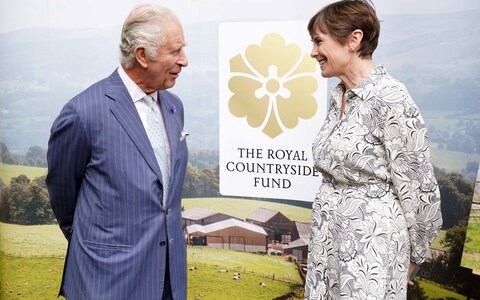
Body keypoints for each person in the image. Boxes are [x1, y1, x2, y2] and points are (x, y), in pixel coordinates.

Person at [46, 4, 189, 299]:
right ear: (141, 55)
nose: (184, 61)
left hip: (168, 282)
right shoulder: (83, 113)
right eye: (175, 51)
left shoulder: (175, 107)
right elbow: (63, 194)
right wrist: (97, 244)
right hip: (106, 281)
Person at [305, 1, 442, 299]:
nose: (313, 52)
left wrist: (413, 258)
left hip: (370, 250)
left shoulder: (391, 98)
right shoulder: (339, 95)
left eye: (319, 41)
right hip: (328, 245)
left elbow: (420, 188)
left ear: (353, 40)